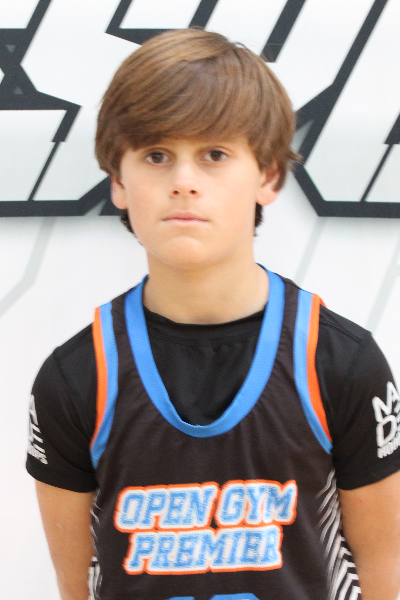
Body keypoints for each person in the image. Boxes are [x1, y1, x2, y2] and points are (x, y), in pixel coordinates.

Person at [26, 28, 400, 600]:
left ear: (268, 176)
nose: (183, 183)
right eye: (156, 156)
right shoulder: (76, 378)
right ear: (119, 181)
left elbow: (383, 575)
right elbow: (75, 587)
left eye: (215, 155)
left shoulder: (342, 364)